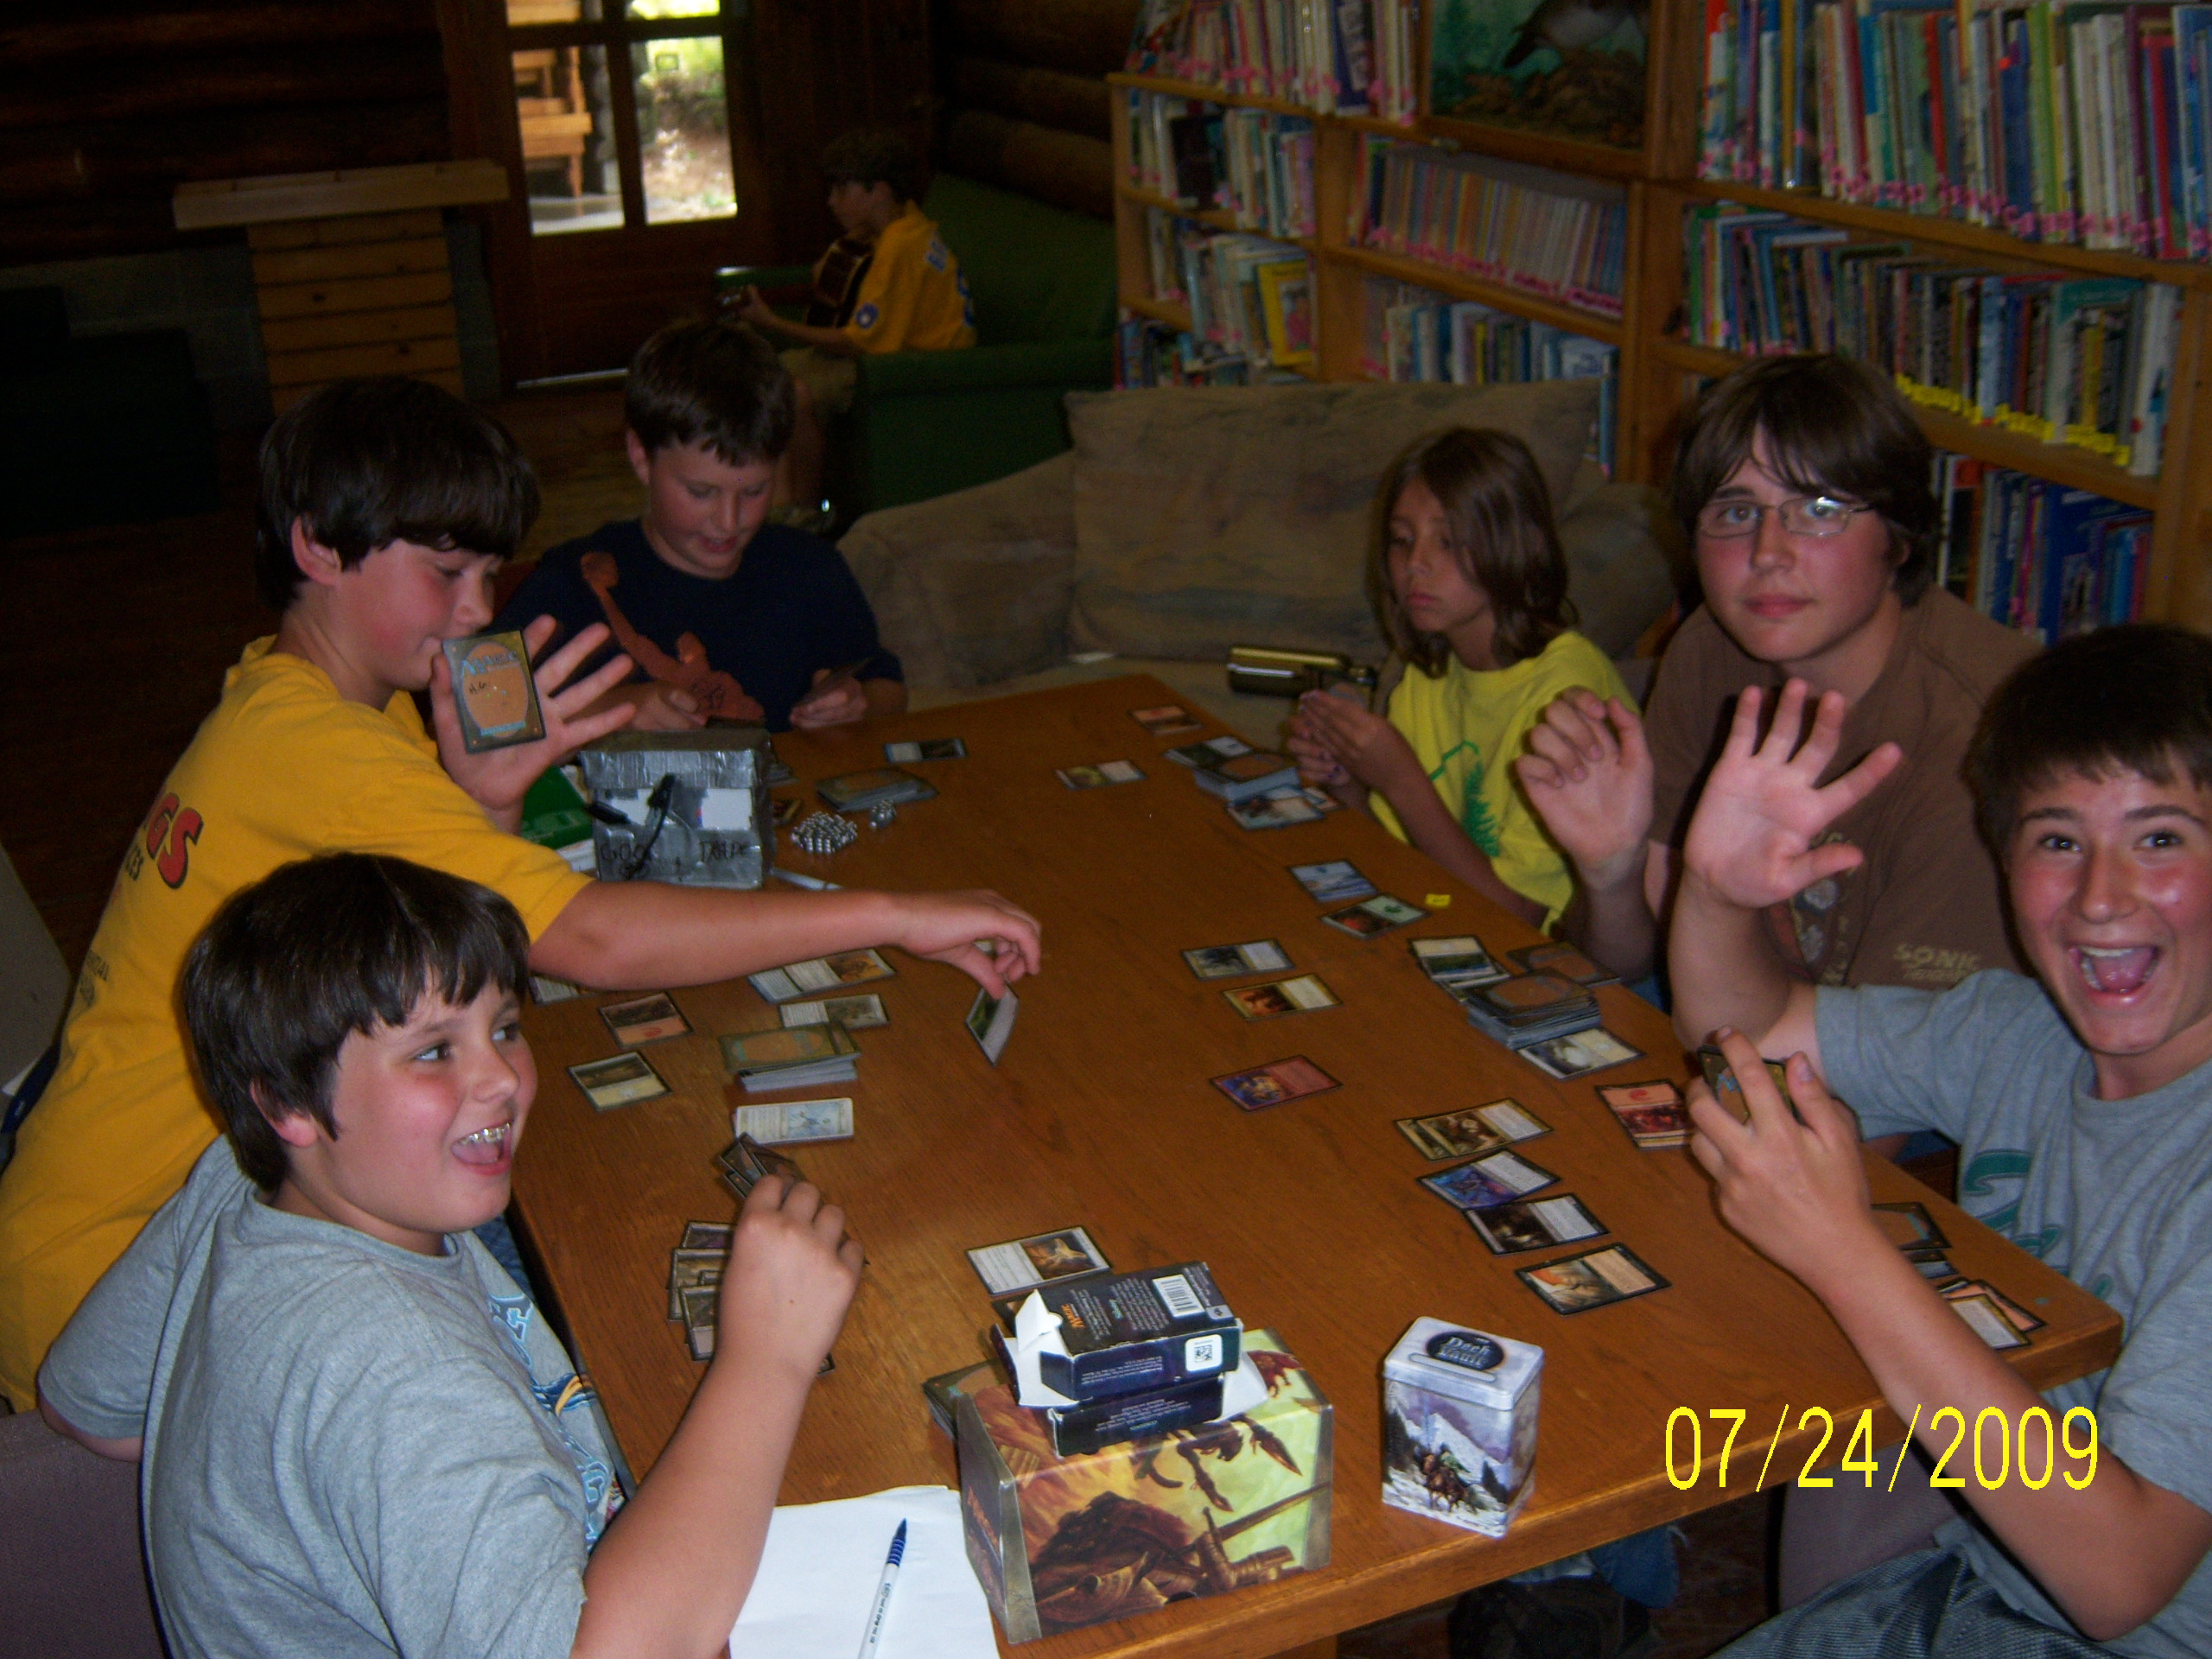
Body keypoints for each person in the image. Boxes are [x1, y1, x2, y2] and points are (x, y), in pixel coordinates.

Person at [0, 376, 1040, 1411]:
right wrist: (894, 914)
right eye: (447, 571)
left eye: (489, 573)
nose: (477, 612)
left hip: (160, 1225)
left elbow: (471, 940)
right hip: (112, 1300)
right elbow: (587, 940)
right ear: (318, 546)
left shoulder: (307, 699)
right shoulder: (315, 747)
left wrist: (488, 802)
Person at [38, 853, 861, 1659]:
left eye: (504, 1028)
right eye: (434, 1050)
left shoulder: (243, 1172)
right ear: (287, 1102)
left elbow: (85, 1406)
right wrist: (767, 1359)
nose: (502, 1077)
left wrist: (297, 1488)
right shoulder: (401, 1377)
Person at [1672, 624, 2212, 1656]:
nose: (2100, 897)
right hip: (1986, 1586)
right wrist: (1715, 894)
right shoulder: (2018, 1033)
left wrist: (1841, 1250)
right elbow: (1747, 1027)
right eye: (2057, 841)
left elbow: (2118, 1580)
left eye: (2158, 839)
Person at [1516, 353, 2034, 989]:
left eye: (1818, 509)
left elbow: (1880, 1053)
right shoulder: (1711, 648)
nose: (1767, 553)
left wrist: (1716, 913)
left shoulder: (1980, 735)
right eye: (1736, 513)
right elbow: (1625, 966)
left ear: (1899, 536)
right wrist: (1611, 874)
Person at [1287, 427, 1633, 930]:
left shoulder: (1568, 697)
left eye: (1447, 542)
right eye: (1402, 541)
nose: (1415, 565)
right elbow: (1400, 862)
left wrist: (1400, 779)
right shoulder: (1426, 675)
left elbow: (1519, 916)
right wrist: (1347, 782)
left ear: (1517, 546)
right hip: (1446, 920)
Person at [493, 318, 906, 734]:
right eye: (701, 492)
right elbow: (479, 711)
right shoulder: (573, 582)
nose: (728, 522)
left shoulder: (812, 568)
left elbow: (889, 688)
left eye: (754, 491)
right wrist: (620, 709)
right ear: (641, 457)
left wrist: (860, 703)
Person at [729, 126, 976, 511]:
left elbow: (855, 342)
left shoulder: (901, 247)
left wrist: (772, 322)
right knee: (766, 377)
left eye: (842, 190)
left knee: (793, 395)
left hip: (916, 372)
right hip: (892, 358)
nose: (831, 201)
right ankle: (765, 495)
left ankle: (805, 510)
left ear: (879, 191)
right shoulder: (906, 222)